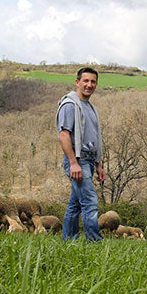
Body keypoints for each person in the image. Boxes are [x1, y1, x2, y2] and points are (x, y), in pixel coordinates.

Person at [55, 67, 105, 241]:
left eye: (93, 82)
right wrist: (73, 162)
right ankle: (95, 243)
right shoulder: (70, 105)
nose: (89, 85)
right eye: (85, 81)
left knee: (75, 204)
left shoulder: (90, 107)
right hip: (78, 160)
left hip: (89, 160)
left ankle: (69, 241)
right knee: (90, 203)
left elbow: (94, 137)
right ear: (77, 82)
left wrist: (98, 164)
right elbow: (63, 134)